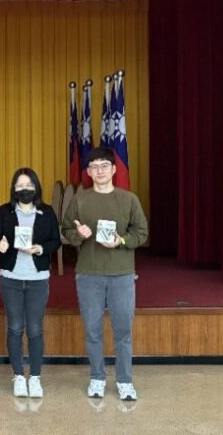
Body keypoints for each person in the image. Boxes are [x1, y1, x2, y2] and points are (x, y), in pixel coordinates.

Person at [61, 147, 148, 401]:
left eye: (104, 166)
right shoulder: (80, 200)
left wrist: (121, 240)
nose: (99, 171)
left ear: (113, 169)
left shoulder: (129, 199)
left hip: (122, 275)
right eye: (94, 167)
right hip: (89, 275)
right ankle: (97, 378)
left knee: (123, 330)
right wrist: (79, 235)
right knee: (92, 330)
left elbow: (141, 233)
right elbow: (66, 230)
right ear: (88, 172)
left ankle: (125, 381)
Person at [0, 167, 60, 399]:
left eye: (28, 185)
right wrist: (0, 245)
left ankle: (35, 377)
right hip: (11, 278)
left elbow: (55, 241)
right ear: (13, 189)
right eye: (20, 185)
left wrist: (40, 248)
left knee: (35, 329)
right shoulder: (4, 211)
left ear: (36, 187)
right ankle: (19, 376)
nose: (24, 189)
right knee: (15, 327)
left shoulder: (47, 212)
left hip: (37, 279)